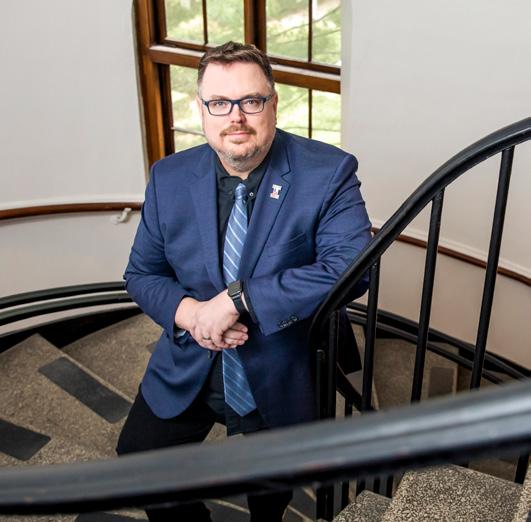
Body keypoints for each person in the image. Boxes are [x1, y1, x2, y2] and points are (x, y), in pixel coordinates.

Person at [117, 41, 372, 521]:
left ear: (273, 104)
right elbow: (142, 274)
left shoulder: (329, 172)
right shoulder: (169, 177)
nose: (236, 117)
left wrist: (237, 300)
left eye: (251, 101)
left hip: (282, 364)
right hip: (192, 359)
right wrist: (193, 313)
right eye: (219, 103)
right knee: (139, 464)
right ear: (201, 110)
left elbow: (352, 269)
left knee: (270, 490)